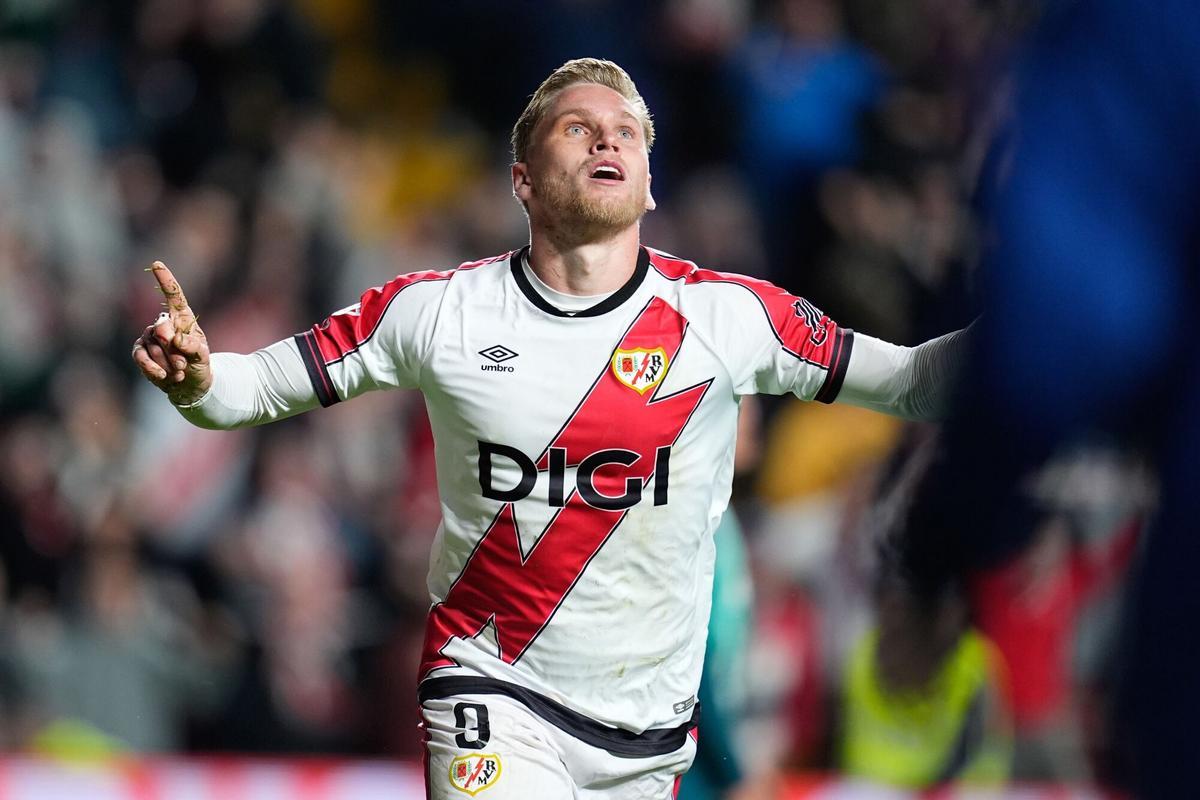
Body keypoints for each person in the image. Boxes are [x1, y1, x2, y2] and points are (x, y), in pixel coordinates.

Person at [132, 58, 967, 799]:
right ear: (523, 179)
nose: (607, 139)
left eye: (626, 132)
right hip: (490, 691)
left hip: (646, 741)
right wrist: (199, 379)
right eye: (578, 127)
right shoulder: (439, 312)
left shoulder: (732, 318)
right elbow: (250, 389)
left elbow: (914, 384)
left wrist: (1028, 330)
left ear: (648, 183)